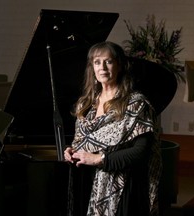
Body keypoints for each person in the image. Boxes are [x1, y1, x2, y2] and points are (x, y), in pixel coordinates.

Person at [64, 41, 162, 216]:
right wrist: (72, 151)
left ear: (120, 65)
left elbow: (141, 152)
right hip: (87, 182)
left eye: (108, 61)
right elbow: (81, 142)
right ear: (92, 68)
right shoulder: (85, 104)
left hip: (123, 186)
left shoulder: (136, 104)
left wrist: (99, 159)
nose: (102, 67)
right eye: (97, 62)